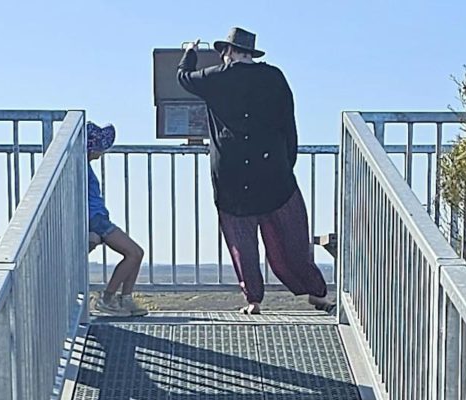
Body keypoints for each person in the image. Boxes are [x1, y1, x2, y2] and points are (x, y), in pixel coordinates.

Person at [177, 28, 331, 315]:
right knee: (292, 240)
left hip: (230, 177)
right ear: (249, 52)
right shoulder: (274, 77)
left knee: (241, 241)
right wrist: (287, 164)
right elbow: (289, 124)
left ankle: (253, 300)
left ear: (229, 51)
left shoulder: (215, 77)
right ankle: (317, 293)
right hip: (274, 174)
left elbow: (184, 77)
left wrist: (190, 54)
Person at [85, 122, 146, 316]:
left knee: (137, 253)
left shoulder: (82, 167)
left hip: (98, 219)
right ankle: (108, 299)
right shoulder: (80, 169)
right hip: (97, 220)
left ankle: (125, 299)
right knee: (134, 254)